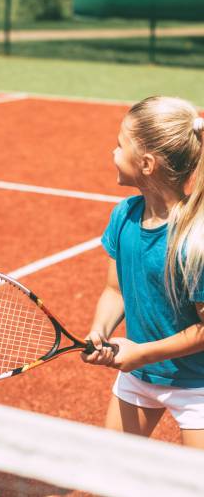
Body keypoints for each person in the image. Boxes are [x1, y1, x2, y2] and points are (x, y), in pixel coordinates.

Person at [83, 95, 204, 450]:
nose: (113, 153)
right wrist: (99, 330)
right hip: (140, 375)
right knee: (111, 474)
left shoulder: (195, 241)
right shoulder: (124, 215)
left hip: (197, 385)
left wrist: (141, 353)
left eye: (120, 146)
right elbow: (115, 291)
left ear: (147, 163)